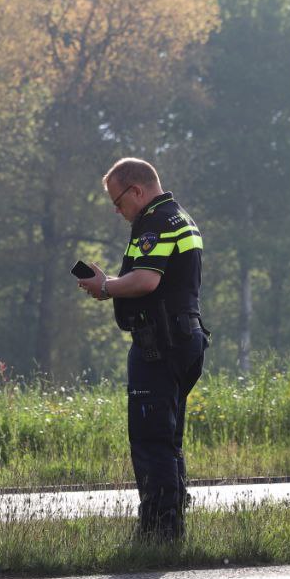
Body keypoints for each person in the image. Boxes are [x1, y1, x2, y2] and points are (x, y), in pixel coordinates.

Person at [77, 158, 208, 541]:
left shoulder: (153, 221)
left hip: (160, 344)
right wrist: (114, 284)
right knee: (168, 438)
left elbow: (147, 280)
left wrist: (105, 287)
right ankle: (172, 525)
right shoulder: (180, 217)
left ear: (136, 190)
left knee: (151, 439)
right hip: (186, 339)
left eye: (118, 202)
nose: (118, 211)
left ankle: (159, 531)